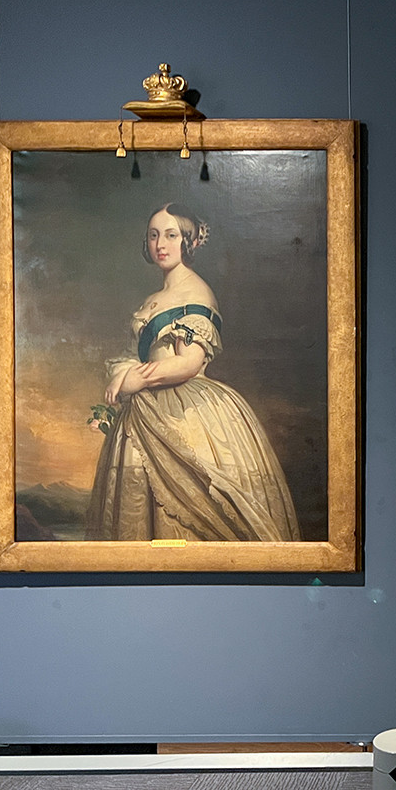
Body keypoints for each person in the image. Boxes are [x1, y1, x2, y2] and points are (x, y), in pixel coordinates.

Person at [85, 203, 301, 542]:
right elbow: (134, 352)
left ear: (189, 241)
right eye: (154, 235)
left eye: (171, 235)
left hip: (188, 409)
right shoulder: (154, 297)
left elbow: (189, 362)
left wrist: (136, 379)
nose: (160, 244)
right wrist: (122, 373)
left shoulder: (195, 292)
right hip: (143, 407)